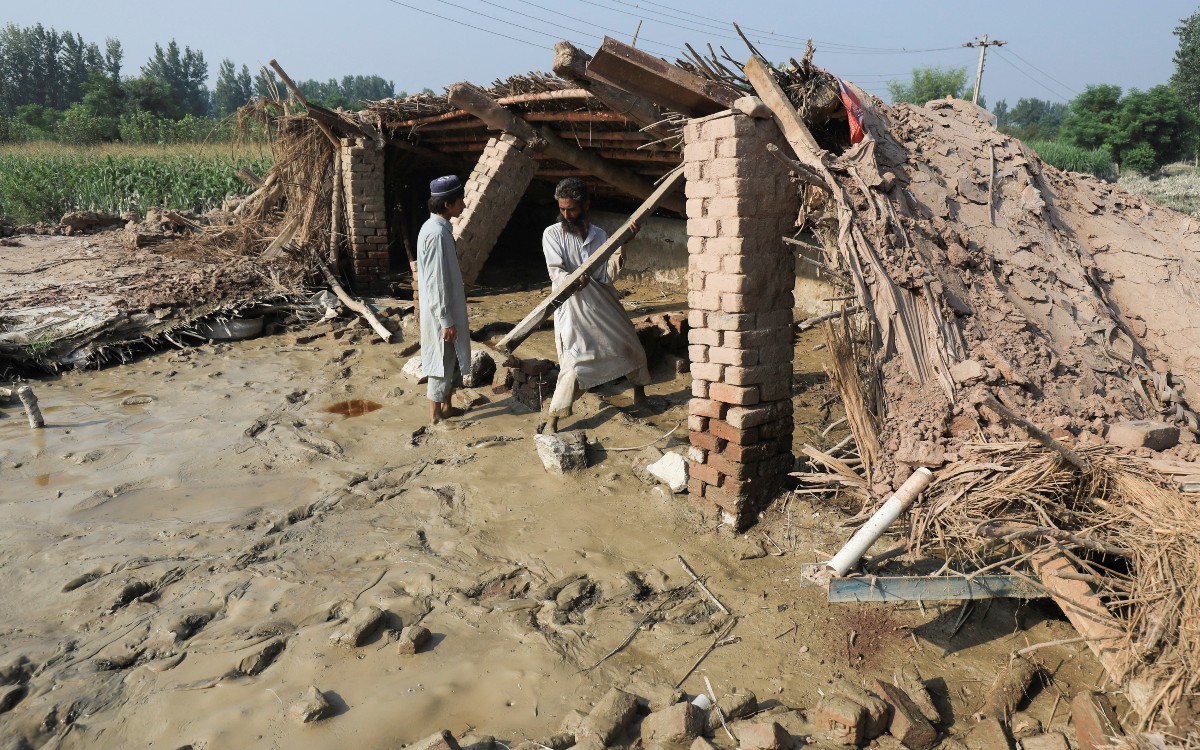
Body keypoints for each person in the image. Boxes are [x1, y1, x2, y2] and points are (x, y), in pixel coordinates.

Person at [541, 177, 650, 433]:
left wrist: (623, 244)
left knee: (630, 344)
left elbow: (605, 275)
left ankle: (641, 395)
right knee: (575, 362)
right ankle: (553, 419)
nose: (566, 215)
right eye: (562, 209)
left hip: (602, 302)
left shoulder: (599, 234)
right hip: (573, 306)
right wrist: (571, 281)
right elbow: (555, 271)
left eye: (572, 209)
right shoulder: (552, 233)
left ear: (585, 205)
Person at [417, 175, 471, 427]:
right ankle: (436, 416)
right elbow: (436, 283)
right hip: (442, 315)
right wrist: (446, 320)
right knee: (441, 362)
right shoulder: (437, 235)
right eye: (461, 200)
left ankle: (447, 407)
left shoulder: (436, 229)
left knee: (451, 360)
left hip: (444, 311)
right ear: (448, 204)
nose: (464, 204)